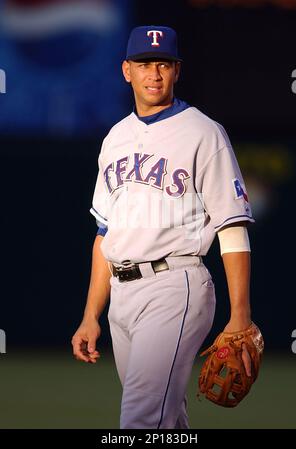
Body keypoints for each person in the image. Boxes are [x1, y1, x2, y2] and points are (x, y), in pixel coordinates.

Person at [71, 25, 255, 429]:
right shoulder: (115, 138)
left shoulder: (204, 132)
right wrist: (91, 315)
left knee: (139, 420)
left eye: (163, 64)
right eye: (143, 64)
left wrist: (240, 314)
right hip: (121, 295)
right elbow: (105, 234)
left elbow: (232, 227)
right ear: (126, 71)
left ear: (176, 70)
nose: (153, 74)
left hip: (176, 285)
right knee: (164, 421)